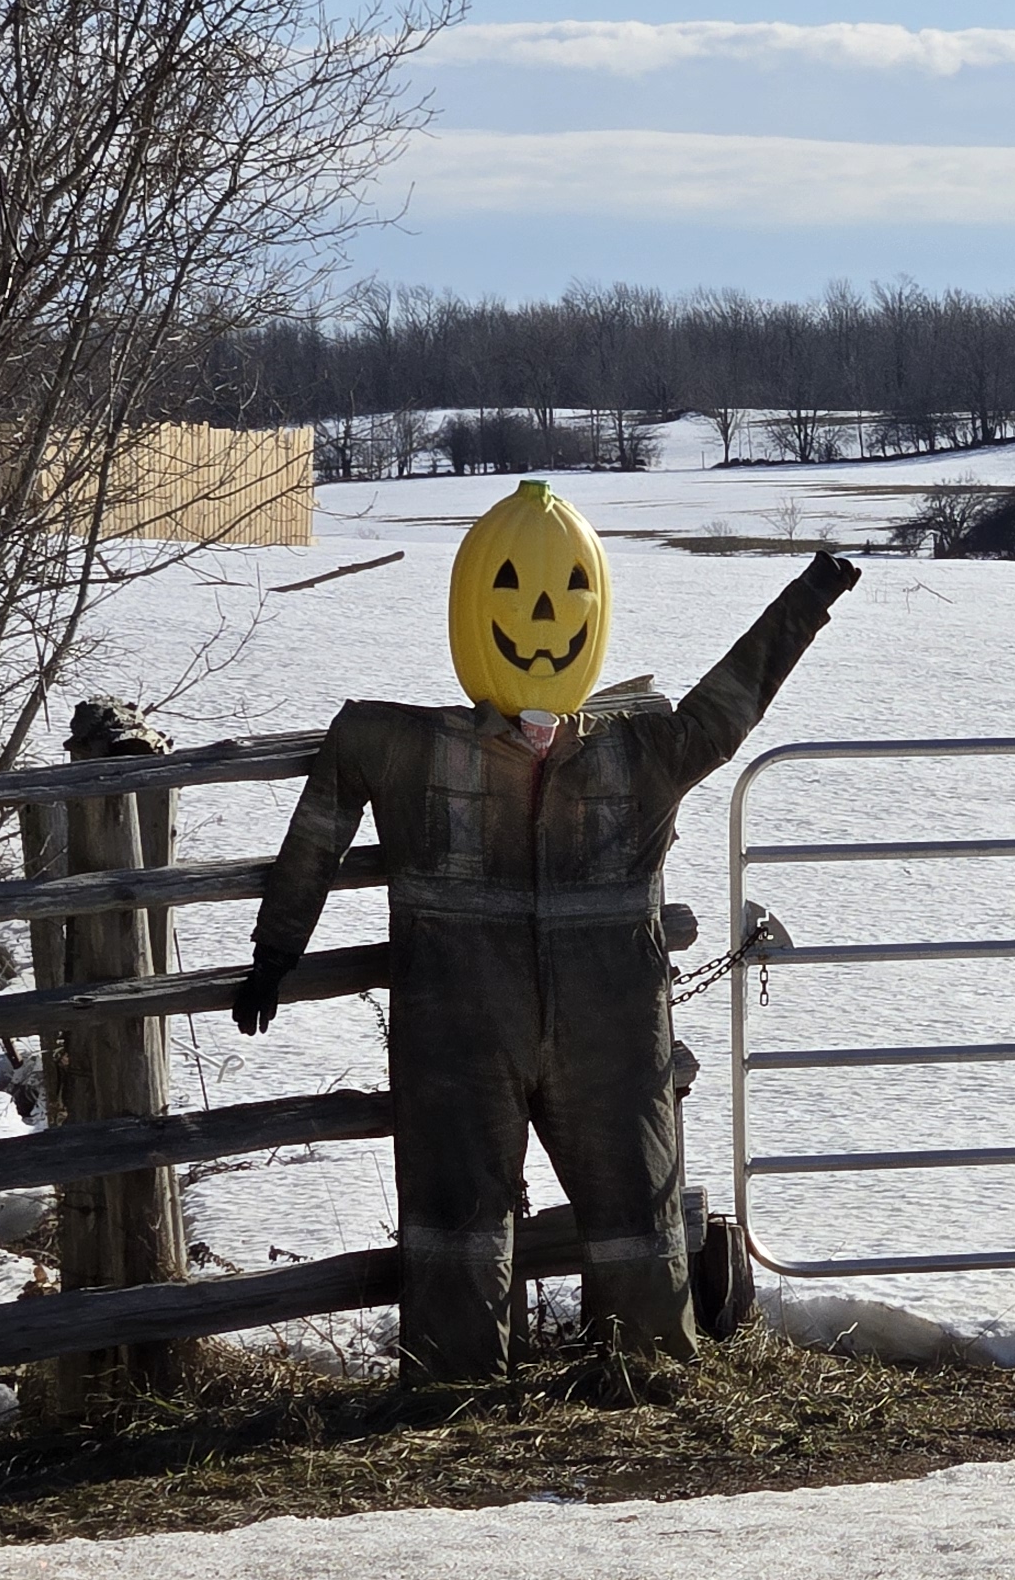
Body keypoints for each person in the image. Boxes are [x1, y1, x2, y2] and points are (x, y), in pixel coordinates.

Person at [232, 479, 860, 1384]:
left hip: (609, 1027)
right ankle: (452, 1386)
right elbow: (320, 828)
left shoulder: (637, 752)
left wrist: (807, 600)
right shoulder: (404, 748)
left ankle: (645, 1369)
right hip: (459, 1024)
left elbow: (732, 701)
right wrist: (276, 951)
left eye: (567, 592)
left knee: (634, 1204)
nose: (540, 617)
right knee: (455, 1213)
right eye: (514, 590)